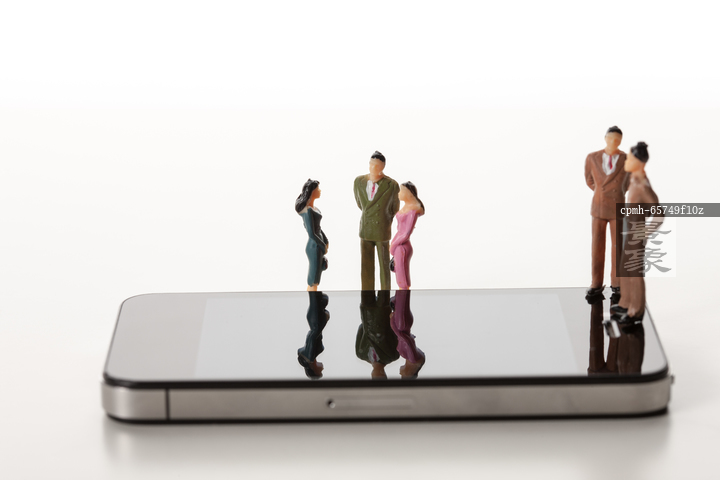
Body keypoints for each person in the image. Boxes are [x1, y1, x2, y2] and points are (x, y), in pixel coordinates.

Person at [612, 142, 661, 323]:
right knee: (625, 269)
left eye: (630, 159)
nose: (626, 161)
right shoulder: (632, 179)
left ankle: (636, 311)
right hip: (628, 230)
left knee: (634, 271)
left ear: (639, 162)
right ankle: (625, 302)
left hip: (636, 233)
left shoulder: (642, 186)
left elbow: (659, 214)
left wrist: (645, 233)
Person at [584, 126, 630, 301]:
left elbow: (629, 181)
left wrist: (618, 192)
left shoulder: (626, 158)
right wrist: (600, 193)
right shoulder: (592, 157)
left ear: (621, 141)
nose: (613, 142)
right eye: (610, 138)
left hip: (617, 206)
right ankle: (596, 283)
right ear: (605, 138)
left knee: (618, 246)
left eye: (617, 139)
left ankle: (617, 284)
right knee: (597, 246)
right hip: (599, 206)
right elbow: (589, 180)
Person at [353, 151, 400, 290]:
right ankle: (367, 296)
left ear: (383, 167)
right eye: (371, 164)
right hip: (365, 229)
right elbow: (360, 204)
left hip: (382, 230)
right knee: (366, 267)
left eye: (377, 165)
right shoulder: (358, 182)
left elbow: (394, 208)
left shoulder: (392, 185)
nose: (373, 168)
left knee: (384, 266)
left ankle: (384, 295)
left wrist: (384, 220)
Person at [390, 182, 425, 290]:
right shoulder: (406, 207)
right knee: (398, 271)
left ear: (409, 194)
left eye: (402, 191)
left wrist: (393, 245)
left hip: (402, 246)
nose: (399, 193)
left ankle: (403, 296)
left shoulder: (412, 212)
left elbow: (406, 233)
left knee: (402, 275)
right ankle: (400, 297)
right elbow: (400, 232)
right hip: (398, 243)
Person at [295, 179, 328, 291]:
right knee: (313, 278)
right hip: (314, 246)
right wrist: (322, 245)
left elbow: (319, 228)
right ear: (312, 192)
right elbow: (312, 233)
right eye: (318, 189)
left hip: (318, 244)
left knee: (318, 272)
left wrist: (326, 240)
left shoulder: (314, 209)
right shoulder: (308, 211)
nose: (320, 191)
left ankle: (315, 296)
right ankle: (313, 297)